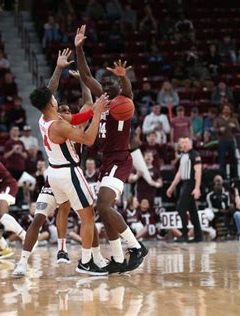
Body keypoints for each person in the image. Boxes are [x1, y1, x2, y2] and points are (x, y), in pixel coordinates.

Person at [75, 25, 148, 273]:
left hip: (120, 160)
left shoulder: (124, 103)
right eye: (106, 83)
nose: (107, 84)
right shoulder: (103, 101)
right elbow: (85, 77)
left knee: (105, 206)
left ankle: (135, 247)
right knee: (103, 211)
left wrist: (124, 76)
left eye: (112, 82)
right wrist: (79, 48)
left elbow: (127, 90)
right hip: (107, 161)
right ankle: (117, 258)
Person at [23, 85, 109, 276]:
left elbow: (76, 118)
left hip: (54, 173)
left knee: (74, 212)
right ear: (51, 102)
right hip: (69, 172)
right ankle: (87, 262)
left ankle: (90, 257)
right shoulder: (59, 125)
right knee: (87, 217)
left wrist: (93, 109)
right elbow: (88, 139)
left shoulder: (44, 119)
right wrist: (98, 115)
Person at [166, 138, 202, 243]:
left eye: (186, 142)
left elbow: (198, 172)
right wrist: (171, 187)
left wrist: (197, 188)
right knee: (193, 211)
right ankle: (198, 236)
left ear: (190, 144)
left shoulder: (195, 155)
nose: (184, 144)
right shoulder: (182, 156)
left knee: (181, 208)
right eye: (182, 143)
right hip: (184, 184)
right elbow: (179, 173)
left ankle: (185, 235)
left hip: (191, 183)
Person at [214, 104, 240, 179]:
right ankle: (222, 177)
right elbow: (214, 130)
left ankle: (234, 176)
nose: (226, 111)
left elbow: (239, 130)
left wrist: (234, 127)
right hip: (222, 142)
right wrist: (219, 130)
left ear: (230, 111)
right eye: (225, 109)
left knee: (233, 160)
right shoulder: (218, 119)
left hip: (231, 141)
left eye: (228, 109)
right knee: (222, 160)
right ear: (222, 110)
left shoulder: (234, 119)